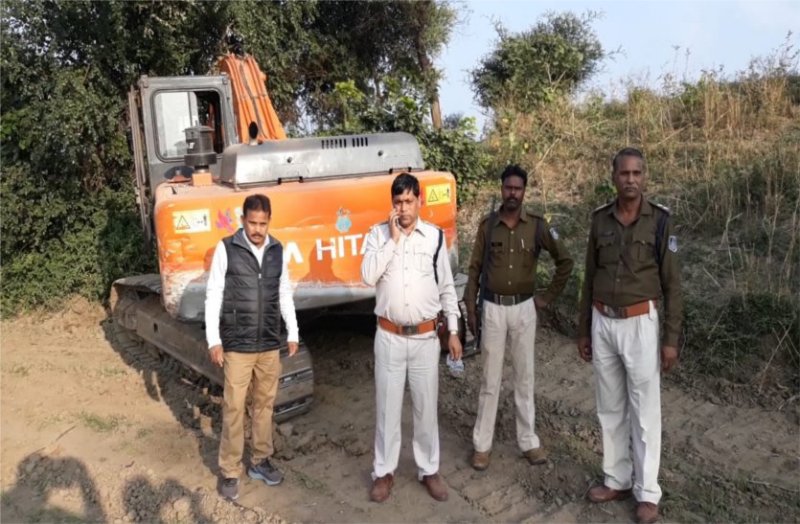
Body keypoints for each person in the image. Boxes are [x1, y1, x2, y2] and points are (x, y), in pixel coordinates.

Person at [577, 147, 682, 524]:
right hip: (603, 320)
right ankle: (617, 478)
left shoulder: (659, 222)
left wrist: (670, 338)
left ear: (645, 176)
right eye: (624, 173)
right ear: (613, 177)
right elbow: (589, 276)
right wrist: (584, 329)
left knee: (644, 411)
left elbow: (672, 284)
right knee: (610, 407)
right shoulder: (599, 220)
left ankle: (647, 492)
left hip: (641, 323)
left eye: (637, 173)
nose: (631, 179)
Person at [361, 172, 463, 503]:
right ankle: (384, 472)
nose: (403, 208)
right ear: (391, 204)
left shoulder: (434, 237)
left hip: (424, 339)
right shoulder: (378, 235)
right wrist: (392, 239)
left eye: (408, 201)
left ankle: (429, 469)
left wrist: (454, 330)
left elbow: (446, 287)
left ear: (419, 200)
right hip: (388, 336)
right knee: (387, 409)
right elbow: (367, 276)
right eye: (397, 202)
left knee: (425, 407)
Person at [464, 164, 574, 471]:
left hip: (525, 309)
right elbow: (474, 269)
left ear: (525, 192)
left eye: (518, 188)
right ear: (501, 189)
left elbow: (565, 261)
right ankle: (482, 445)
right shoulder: (488, 226)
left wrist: (547, 297)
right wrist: (470, 308)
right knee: (490, 379)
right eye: (508, 188)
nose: (512, 193)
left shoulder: (537, 226)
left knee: (524, 377)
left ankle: (528, 441)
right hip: (493, 309)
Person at [205, 193, 299, 501]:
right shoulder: (227, 249)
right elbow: (214, 295)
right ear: (242, 220)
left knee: (264, 406)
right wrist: (214, 339)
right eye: (252, 222)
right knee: (233, 408)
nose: (257, 229)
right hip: (237, 345)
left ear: (269, 221)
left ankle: (260, 460)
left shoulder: (276, 250)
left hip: (269, 343)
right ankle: (230, 471)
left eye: (263, 223)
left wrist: (293, 331)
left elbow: (284, 291)